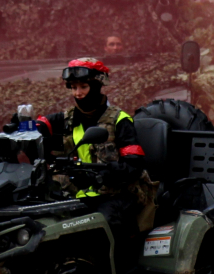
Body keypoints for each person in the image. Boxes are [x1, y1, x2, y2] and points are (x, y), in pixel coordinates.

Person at [34, 58, 146, 271]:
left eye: (83, 87)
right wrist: (23, 125)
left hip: (115, 195)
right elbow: (39, 125)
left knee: (104, 228)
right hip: (77, 193)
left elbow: (134, 167)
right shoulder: (67, 118)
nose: (77, 93)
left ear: (96, 86)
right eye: (73, 87)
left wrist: (105, 174)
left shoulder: (120, 120)